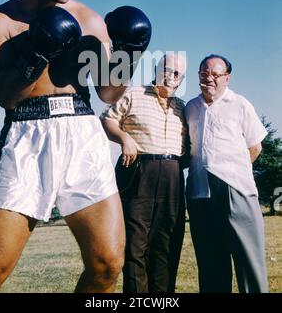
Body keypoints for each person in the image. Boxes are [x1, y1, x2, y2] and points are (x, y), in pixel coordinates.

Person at [0, 0, 151, 293]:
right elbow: (4, 95)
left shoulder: (89, 19)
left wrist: (129, 53)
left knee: (108, 264)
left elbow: (109, 92)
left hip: (82, 130)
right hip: (27, 136)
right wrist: (38, 50)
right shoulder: (0, 22)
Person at [100, 53, 188, 293]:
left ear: (182, 79)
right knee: (135, 245)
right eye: (167, 69)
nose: (171, 76)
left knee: (167, 243)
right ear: (157, 68)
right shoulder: (132, 93)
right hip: (139, 173)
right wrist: (124, 138)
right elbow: (107, 120)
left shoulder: (182, 107)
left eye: (178, 73)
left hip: (173, 176)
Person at [185, 54, 268, 293]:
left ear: (227, 78)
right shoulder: (190, 107)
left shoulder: (240, 104)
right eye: (203, 73)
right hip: (199, 192)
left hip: (236, 191)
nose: (208, 78)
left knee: (249, 264)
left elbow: (255, 146)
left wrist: (234, 172)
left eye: (214, 74)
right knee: (211, 266)